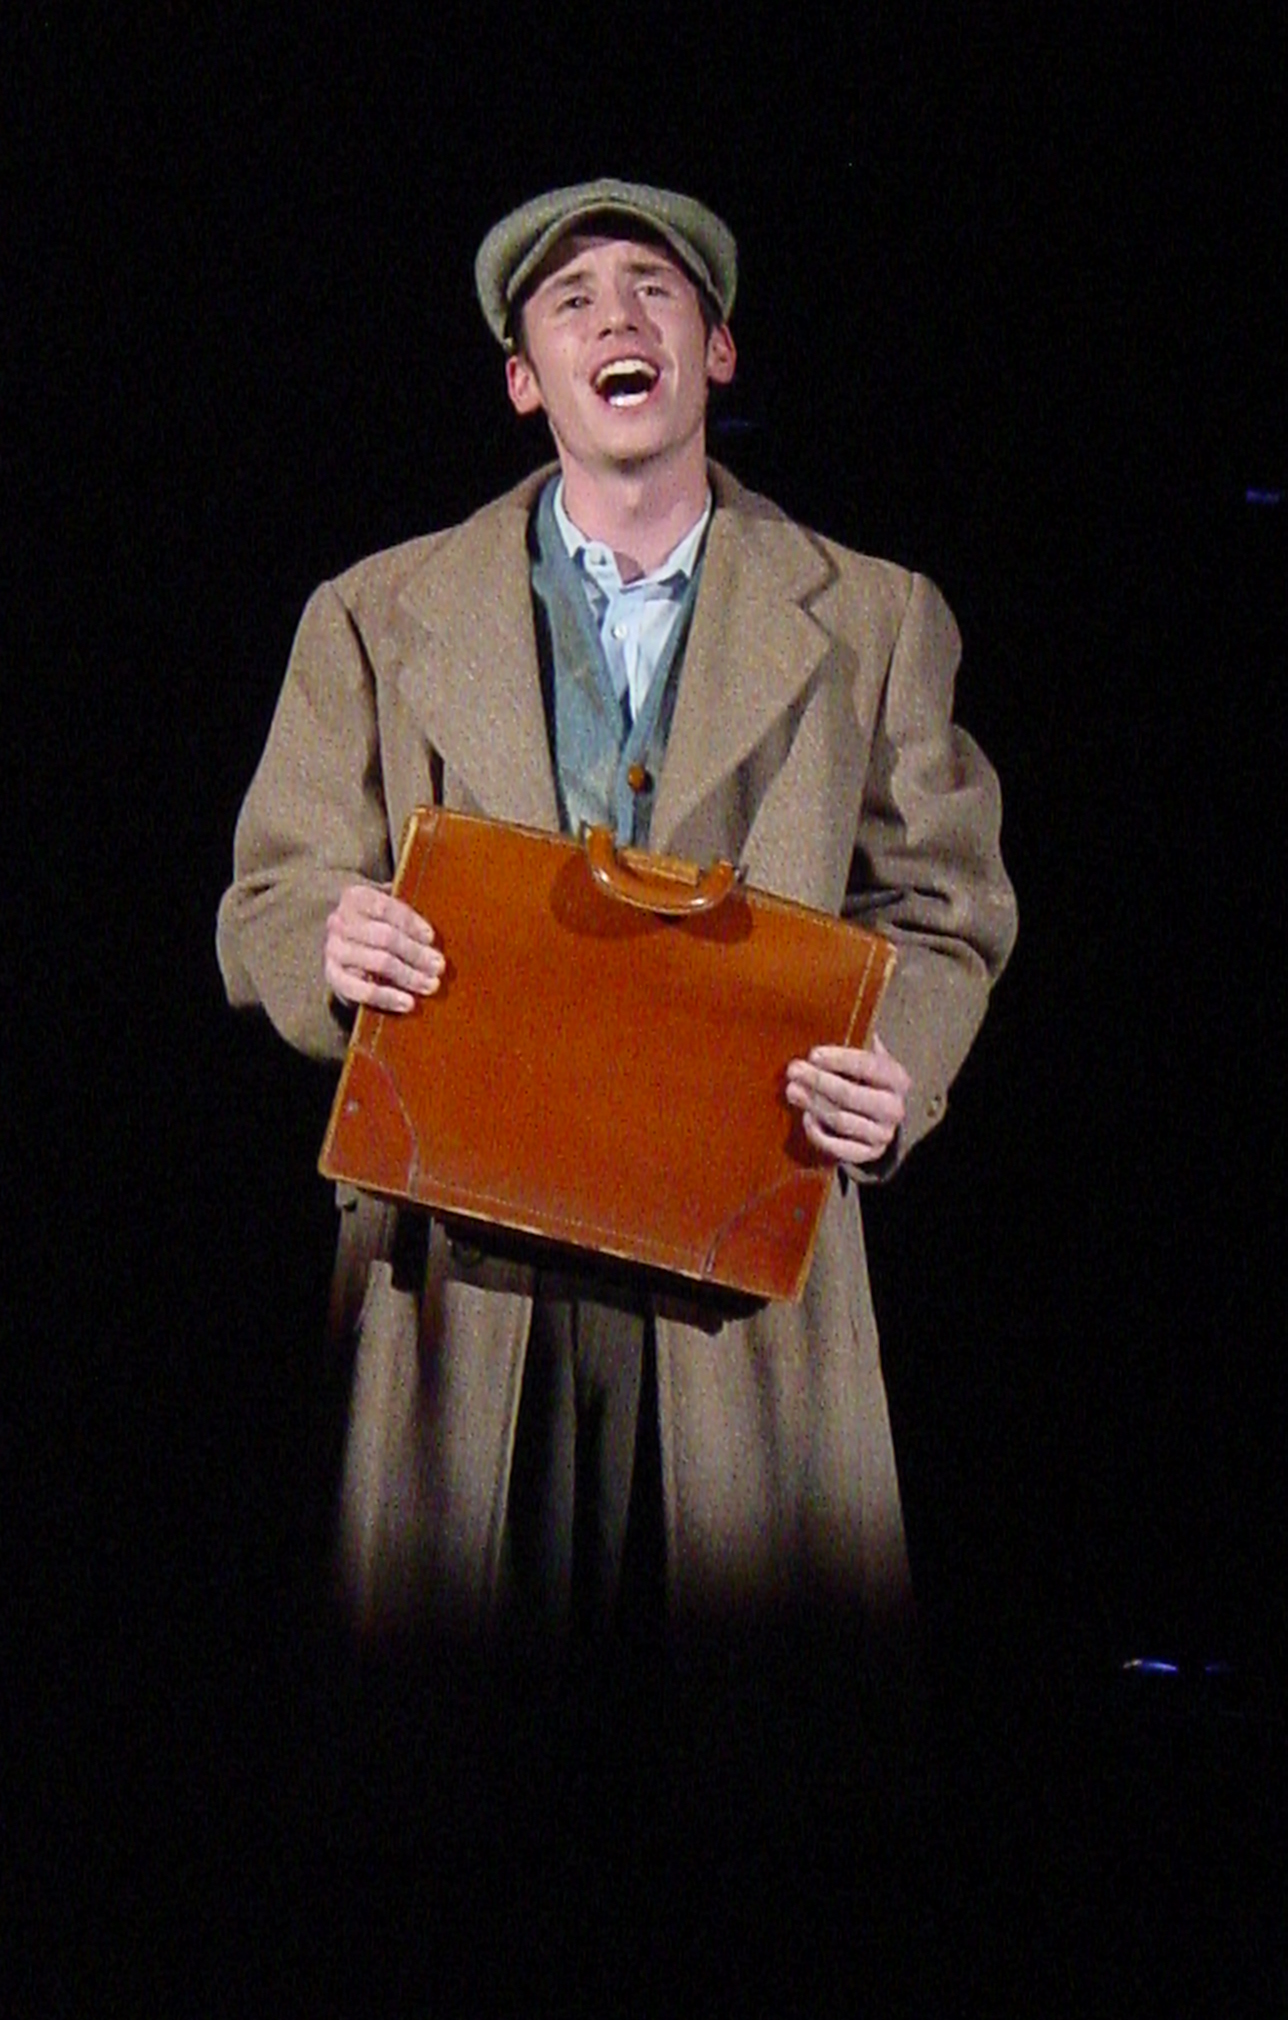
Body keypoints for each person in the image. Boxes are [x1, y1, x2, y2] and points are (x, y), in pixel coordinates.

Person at [217, 178, 1016, 1637]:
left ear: (717, 350)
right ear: (526, 381)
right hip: (465, 1254)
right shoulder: (375, 613)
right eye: (571, 302)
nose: (616, 320)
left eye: (654, 290)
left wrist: (893, 1064)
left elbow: (943, 904)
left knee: (738, 1705)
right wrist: (329, 939)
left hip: (737, 1247)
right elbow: (273, 885)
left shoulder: (875, 616)